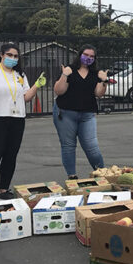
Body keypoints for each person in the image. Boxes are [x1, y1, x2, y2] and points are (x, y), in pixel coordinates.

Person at [0, 42, 46, 207]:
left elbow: (26, 97)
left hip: (17, 119)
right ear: (1, 55)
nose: (12, 58)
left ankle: (3, 191)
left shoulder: (20, 75)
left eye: (15, 56)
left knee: (10, 156)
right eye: (9, 55)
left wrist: (36, 85)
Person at [53, 44, 109, 179]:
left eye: (92, 56)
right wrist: (64, 75)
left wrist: (104, 81)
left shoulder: (96, 73)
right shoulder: (69, 70)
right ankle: (72, 176)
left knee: (92, 146)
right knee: (68, 146)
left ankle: (103, 175)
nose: (88, 58)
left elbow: (98, 93)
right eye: (86, 55)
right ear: (80, 55)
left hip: (87, 114)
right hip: (66, 113)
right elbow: (59, 90)